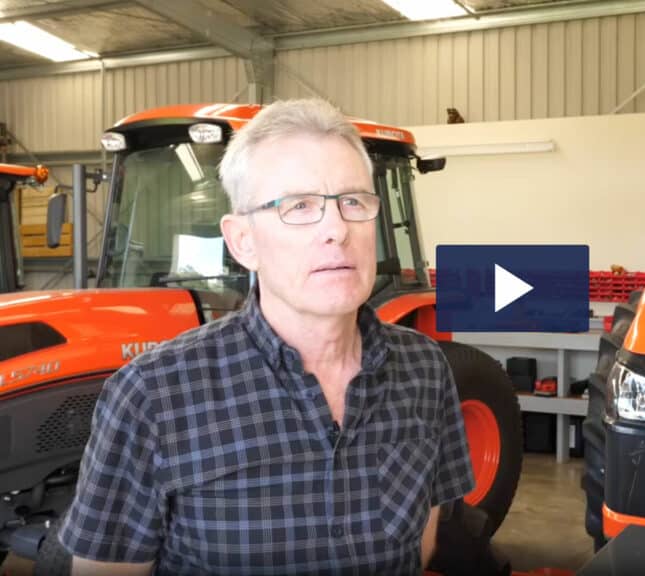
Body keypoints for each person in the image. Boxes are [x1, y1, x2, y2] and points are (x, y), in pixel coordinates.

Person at [57, 98, 475, 575]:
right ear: (242, 241)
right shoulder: (151, 395)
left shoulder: (425, 370)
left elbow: (424, 538)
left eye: (353, 202)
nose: (337, 229)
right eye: (299, 206)